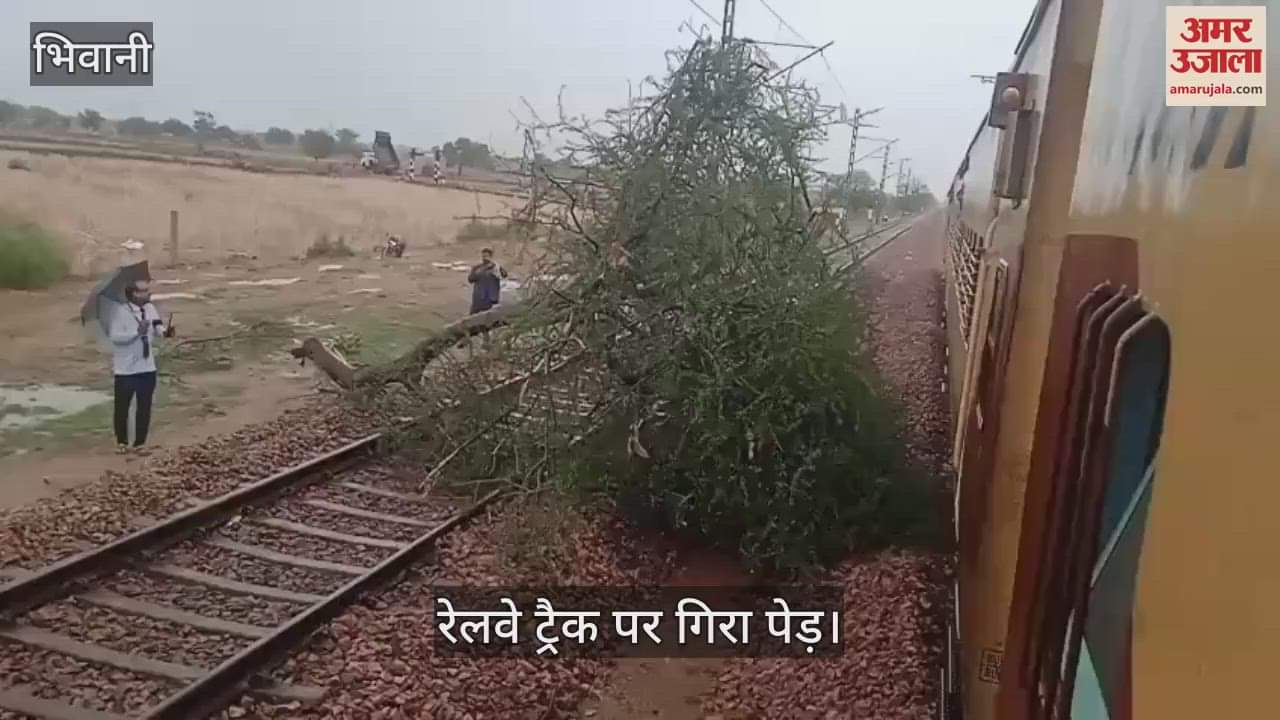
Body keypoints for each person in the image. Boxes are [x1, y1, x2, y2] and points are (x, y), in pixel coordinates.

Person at [107, 279, 174, 452]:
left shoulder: (150, 309)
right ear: (133, 294)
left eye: (147, 290)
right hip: (125, 370)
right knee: (122, 408)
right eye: (144, 291)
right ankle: (121, 442)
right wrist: (136, 333)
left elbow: (157, 328)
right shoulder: (120, 312)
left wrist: (166, 333)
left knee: (144, 407)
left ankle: (140, 444)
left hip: (147, 368)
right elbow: (115, 337)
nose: (148, 293)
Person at [467, 247, 508, 315]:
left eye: (486, 256)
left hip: (491, 298)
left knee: (490, 318)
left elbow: (504, 275)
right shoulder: (477, 268)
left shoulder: (496, 267)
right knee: (473, 317)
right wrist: (482, 270)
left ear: (491, 257)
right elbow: (470, 279)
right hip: (479, 297)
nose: (484, 258)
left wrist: (497, 268)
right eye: (483, 256)